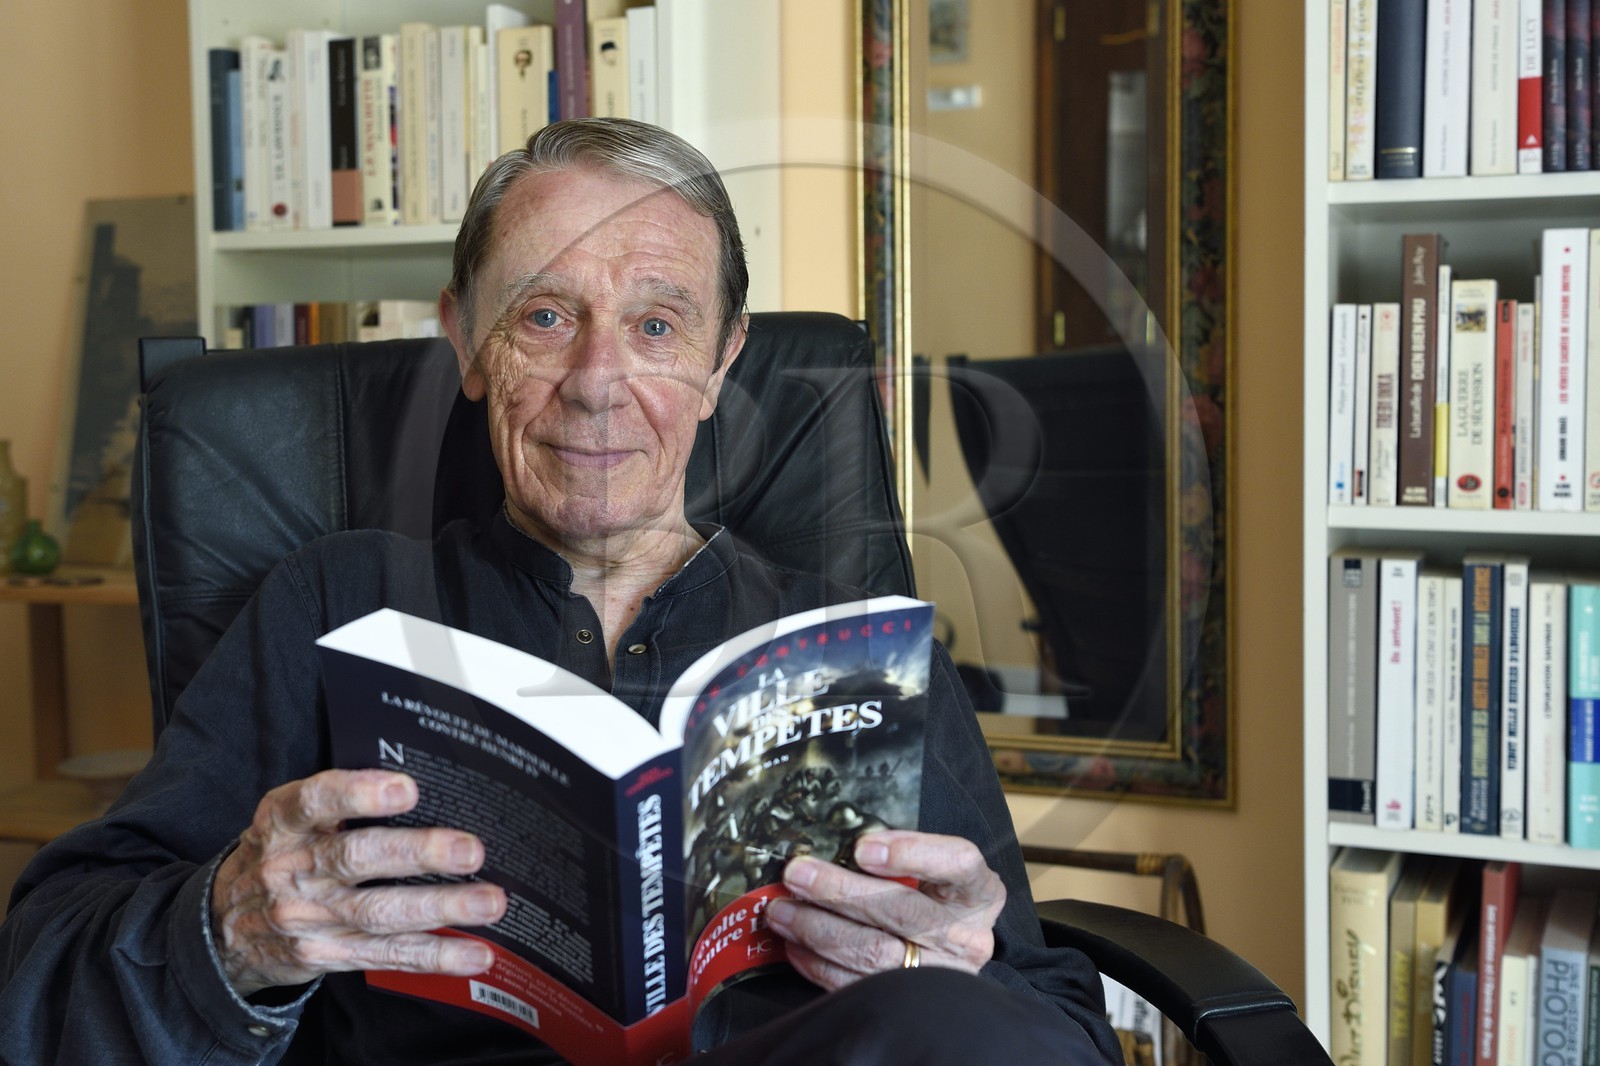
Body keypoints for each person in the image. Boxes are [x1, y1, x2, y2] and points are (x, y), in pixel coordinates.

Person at [0, 119, 1119, 1065]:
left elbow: (1059, 1028)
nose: (595, 384)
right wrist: (234, 930)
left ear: (724, 360)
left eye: (655, 326)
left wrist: (947, 967)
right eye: (544, 316)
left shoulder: (855, 653)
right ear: (467, 343)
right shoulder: (331, 604)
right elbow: (40, 972)